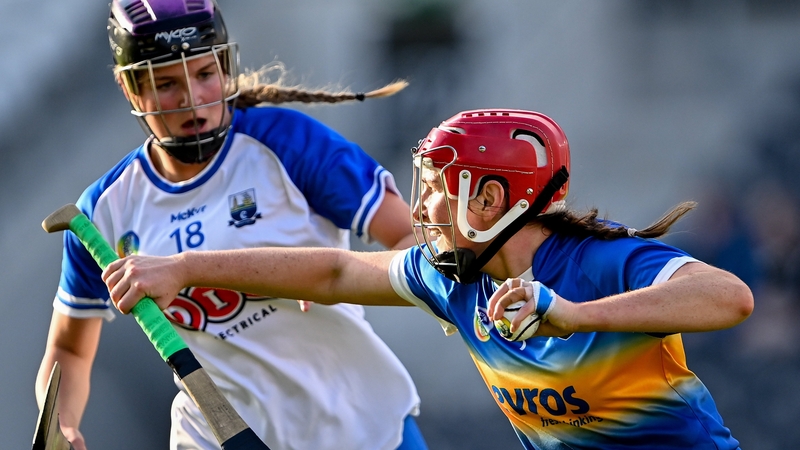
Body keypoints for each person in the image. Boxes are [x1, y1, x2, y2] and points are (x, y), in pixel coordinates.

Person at [102, 108, 755, 449]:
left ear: (492, 200)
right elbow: (333, 270)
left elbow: (731, 297)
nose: (421, 210)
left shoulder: (595, 263)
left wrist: (576, 316)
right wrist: (184, 269)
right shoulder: (452, 280)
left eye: (440, 189)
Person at [35, 1, 429, 449]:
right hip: (214, 434)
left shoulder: (288, 143)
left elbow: (414, 241)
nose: (191, 99)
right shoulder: (105, 210)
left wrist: (326, 275)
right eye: (166, 84)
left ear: (225, 65)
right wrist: (63, 424)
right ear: (129, 88)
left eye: (205, 74)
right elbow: (69, 349)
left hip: (358, 422)